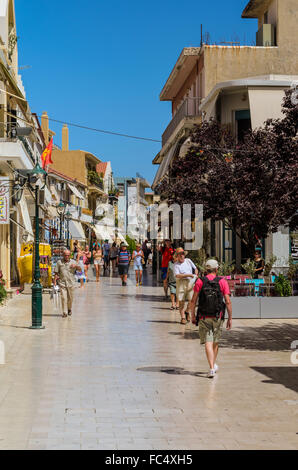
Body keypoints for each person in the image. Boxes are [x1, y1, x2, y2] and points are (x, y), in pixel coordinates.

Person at [190, 259, 232, 378]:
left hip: (204, 316)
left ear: (205, 270)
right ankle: (213, 365)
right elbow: (228, 301)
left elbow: (193, 300)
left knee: (208, 342)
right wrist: (230, 318)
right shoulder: (222, 282)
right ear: (217, 269)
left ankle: (211, 367)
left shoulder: (200, 281)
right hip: (218, 316)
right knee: (215, 341)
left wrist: (192, 315)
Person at [174, 247, 198, 324]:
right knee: (181, 301)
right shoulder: (176, 265)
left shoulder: (188, 261)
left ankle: (187, 311)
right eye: (179, 254)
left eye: (182, 254)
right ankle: (183, 317)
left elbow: (195, 268)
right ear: (177, 256)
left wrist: (195, 274)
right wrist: (188, 275)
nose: (181, 256)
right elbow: (177, 275)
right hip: (181, 283)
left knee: (192, 300)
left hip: (190, 282)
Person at [54, 249, 80, 318]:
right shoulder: (59, 262)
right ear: (63, 255)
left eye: (68, 255)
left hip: (71, 283)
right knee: (64, 298)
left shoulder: (73, 262)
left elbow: (80, 270)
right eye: (65, 255)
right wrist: (54, 283)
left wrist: (76, 266)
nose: (67, 256)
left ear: (70, 255)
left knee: (70, 298)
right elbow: (56, 273)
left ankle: (69, 308)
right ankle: (64, 312)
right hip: (62, 283)